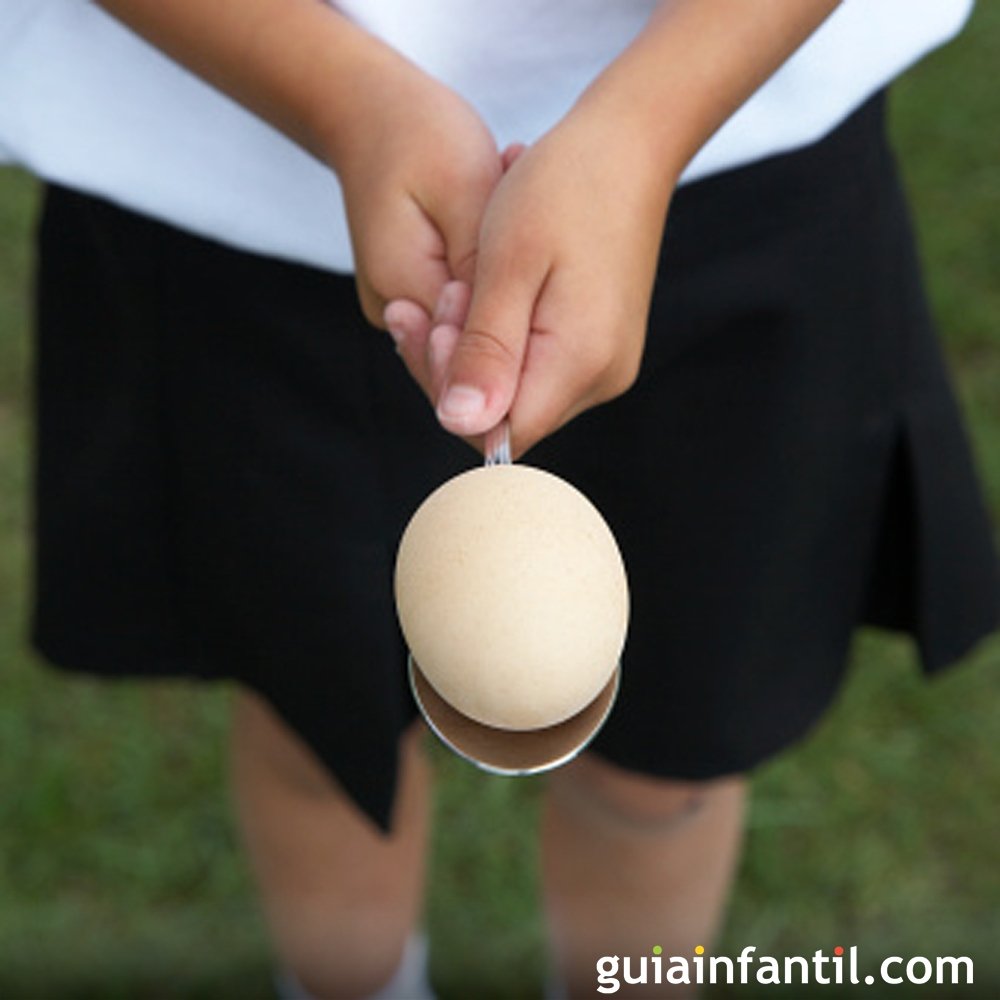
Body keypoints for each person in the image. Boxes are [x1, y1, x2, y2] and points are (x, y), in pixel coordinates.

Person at [1, 0, 998, 996]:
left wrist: (646, 124)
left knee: (673, 759)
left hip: (734, 123)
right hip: (238, 161)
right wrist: (347, 97)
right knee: (320, 730)